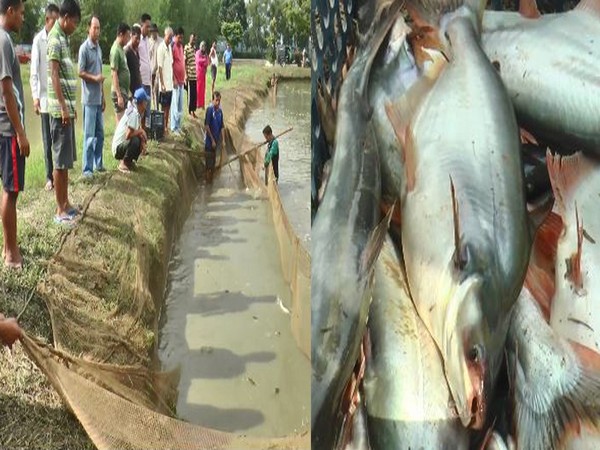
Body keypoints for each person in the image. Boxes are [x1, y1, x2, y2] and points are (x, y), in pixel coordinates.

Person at [0, 0, 29, 269]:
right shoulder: (4, 41)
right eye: (20, 12)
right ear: (9, 11)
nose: (22, 17)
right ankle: (10, 254)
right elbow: (7, 92)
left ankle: (11, 246)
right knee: (11, 190)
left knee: (9, 190)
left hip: (5, 129)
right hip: (8, 130)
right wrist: (20, 133)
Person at [48, 0, 80, 226]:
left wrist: (70, 107)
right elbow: (53, 74)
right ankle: (60, 210)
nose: (75, 27)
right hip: (60, 113)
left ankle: (66, 202)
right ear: (66, 17)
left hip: (67, 111)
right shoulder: (55, 38)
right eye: (75, 23)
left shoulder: (65, 38)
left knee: (66, 160)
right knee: (59, 162)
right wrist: (62, 106)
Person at [30, 3, 58, 191]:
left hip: (58, 99)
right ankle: (49, 177)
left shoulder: (59, 38)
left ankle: (59, 175)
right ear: (47, 20)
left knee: (58, 139)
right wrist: (35, 98)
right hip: (45, 98)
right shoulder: (38, 40)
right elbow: (34, 71)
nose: (56, 24)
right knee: (47, 140)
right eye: (54, 21)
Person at [78, 15, 105, 179]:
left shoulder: (99, 48)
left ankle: (98, 164)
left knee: (100, 134)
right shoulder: (84, 48)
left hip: (98, 98)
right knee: (89, 136)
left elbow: (101, 72)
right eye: (94, 28)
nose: (97, 31)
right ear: (89, 29)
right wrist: (95, 79)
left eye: (99, 28)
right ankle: (87, 170)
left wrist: (103, 96)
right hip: (88, 99)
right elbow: (80, 72)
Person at [112, 87, 148, 173]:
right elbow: (128, 135)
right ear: (142, 103)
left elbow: (137, 129)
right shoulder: (134, 113)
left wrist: (143, 140)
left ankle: (129, 161)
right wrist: (141, 131)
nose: (146, 104)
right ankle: (123, 163)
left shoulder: (135, 111)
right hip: (118, 149)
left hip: (122, 145)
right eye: (145, 102)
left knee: (139, 138)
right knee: (135, 140)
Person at [110, 22, 131, 123]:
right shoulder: (115, 50)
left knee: (124, 123)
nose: (128, 40)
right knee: (121, 126)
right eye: (127, 36)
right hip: (119, 92)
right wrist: (119, 95)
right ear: (121, 34)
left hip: (124, 92)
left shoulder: (121, 49)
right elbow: (114, 74)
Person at [204, 91, 223, 184]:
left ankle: (210, 184)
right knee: (208, 166)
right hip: (209, 143)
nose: (218, 102)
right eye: (216, 100)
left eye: (219, 100)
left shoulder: (220, 112)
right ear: (212, 100)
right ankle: (208, 184)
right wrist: (212, 141)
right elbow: (206, 126)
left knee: (213, 166)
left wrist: (222, 141)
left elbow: (222, 127)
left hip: (216, 143)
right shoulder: (209, 110)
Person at [157, 27, 174, 133]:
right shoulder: (161, 48)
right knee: (163, 108)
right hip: (164, 85)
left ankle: (166, 127)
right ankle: (162, 128)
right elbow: (160, 68)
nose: (170, 39)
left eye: (171, 37)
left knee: (168, 107)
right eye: (169, 37)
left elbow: (170, 65)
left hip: (170, 84)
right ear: (165, 35)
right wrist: (162, 84)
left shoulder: (170, 48)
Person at [170, 27, 185, 135]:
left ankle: (178, 126)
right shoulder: (173, 46)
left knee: (180, 105)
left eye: (181, 37)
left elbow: (181, 62)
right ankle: (173, 127)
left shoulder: (181, 47)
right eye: (179, 37)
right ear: (175, 36)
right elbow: (171, 64)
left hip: (181, 81)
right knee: (175, 105)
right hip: (175, 81)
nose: (180, 39)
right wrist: (174, 79)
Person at [138, 14, 152, 128]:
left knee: (147, 109)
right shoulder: (137, 39)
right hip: (141, 80)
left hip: (148, 81)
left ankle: (145, 135)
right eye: (147, 26)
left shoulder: (147, 40)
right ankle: (140, 135)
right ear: (141, 25)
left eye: (149, 27)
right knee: (140, 109)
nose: (149, 29)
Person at [125, 25, 142, 94]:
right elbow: (124, 72)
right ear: (131, 36)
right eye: (136, 38)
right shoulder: (127, 51)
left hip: (138, 88)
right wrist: (128, 92)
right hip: (130, 91)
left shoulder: (137, 52)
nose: (138, 41)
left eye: (139, 39)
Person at [184, 32, 197, 117]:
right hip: (189, 75)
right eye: (192, 38)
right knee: (190, 94)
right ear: (190, 38)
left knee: (194, 94)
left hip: (194, 75)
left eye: (194, 39)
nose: (193, 40)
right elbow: (184, 62)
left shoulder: (194, 48)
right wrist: (185, 74)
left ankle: (193, 110)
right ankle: (189, 111)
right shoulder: (186, 48)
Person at [195, 41, 209, 110]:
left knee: (203, 89)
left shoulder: (205, 54)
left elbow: (207, 62)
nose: (203, 47)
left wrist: (204, 61)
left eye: (204, 46)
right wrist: (204, 60)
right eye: (202, 46)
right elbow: (198, 61)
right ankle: (198, 104)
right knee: (198, 88)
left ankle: (202, 104)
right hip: (199, 73)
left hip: (203, 73)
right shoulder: (198, 53)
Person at [148, 22, 159, 109]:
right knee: (151, 92)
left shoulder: (161, 41)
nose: (153, 33)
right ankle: (153, 110)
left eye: (154, 31)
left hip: (159, 71)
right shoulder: (148, 42)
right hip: (150, 71)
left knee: (157, 91)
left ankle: (157, 109)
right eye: (152, 31)